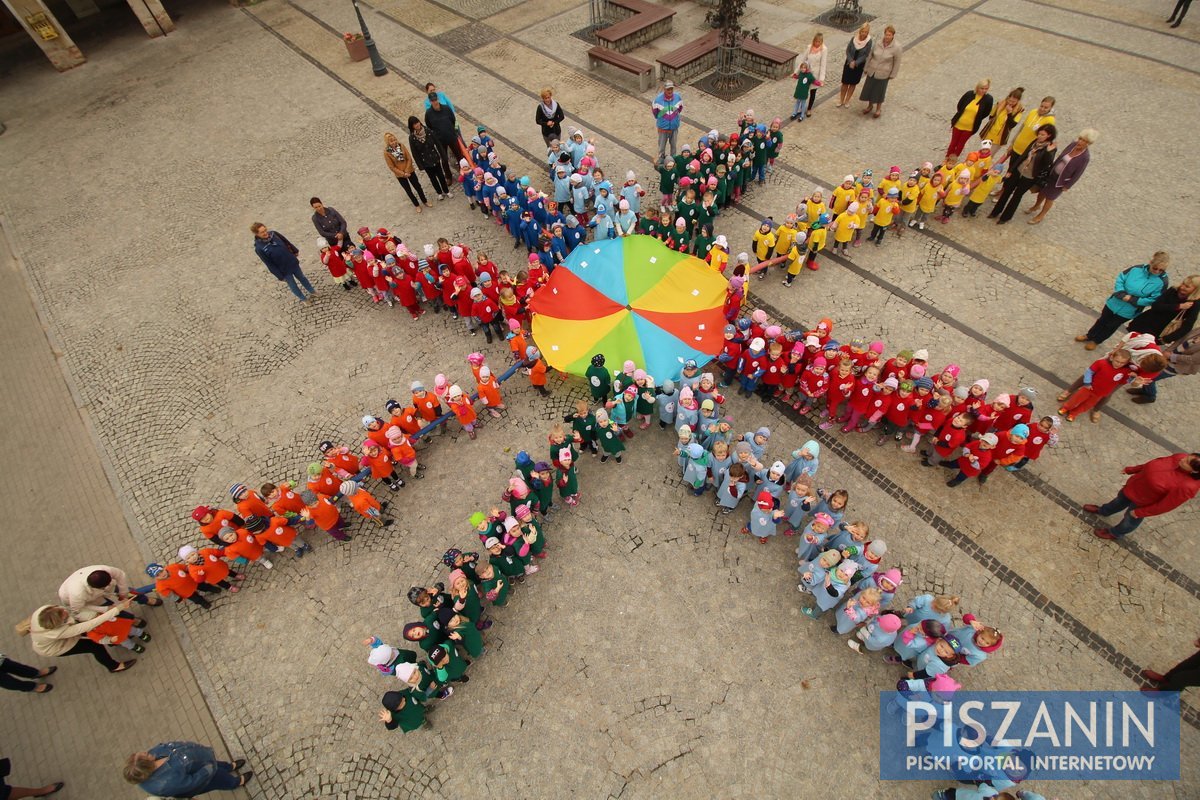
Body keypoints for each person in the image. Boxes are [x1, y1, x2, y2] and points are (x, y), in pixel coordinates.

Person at [1084, 453, 1200, 539]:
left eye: (1187, 461)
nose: (1183, 458)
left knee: (1130, 520)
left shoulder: (1187, 487)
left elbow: (1165, 505)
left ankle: (1115, 533)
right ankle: (1104, 511)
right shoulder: (1179, 457)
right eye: (1187, 457)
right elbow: (1151, 464)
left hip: (1143, 503)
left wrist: (1141, 512)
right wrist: (1132, 470)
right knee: (1118, 501)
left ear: (1194, 471)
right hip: (1133, 487)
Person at [1074, 253, 1169, 349]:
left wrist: (1133, 300)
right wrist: (1121, 294)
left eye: (1161, 270)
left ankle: (1097, 340)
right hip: (1115, 302)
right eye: (1155, 268)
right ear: (1151, 263)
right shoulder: (1136, 269)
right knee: (1102, 320)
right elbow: (1121, 278)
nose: (1157, 271)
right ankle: (1089, 335)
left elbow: (1154, 298)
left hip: (1130, 309)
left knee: (1111, 326)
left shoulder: (1162, 282)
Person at [14, 601, 137, 673]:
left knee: (94, 635)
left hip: (58, 634)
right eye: (64, 616)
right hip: (57, 647)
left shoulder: (45, 611)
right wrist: (118, 608)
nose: (65, 612)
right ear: (58, 623)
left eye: (61, 610)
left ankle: (111, 641)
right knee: (94, 646)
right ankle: (113, 666)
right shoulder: (57, 632)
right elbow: (91, 624)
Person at [987, 123, 1056, 224]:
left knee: (1017, 196)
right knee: (1007, 191)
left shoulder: (1050, 148)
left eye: (1042, 135)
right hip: (1018, 170)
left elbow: (1047, 164)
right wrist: (1011, 170)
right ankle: (995, 212)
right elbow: (1023, 156)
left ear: (1049, 136)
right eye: (1039, 134)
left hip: (1030, 176)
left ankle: (1005, 217)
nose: (1039, 136)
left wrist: (1049, 153)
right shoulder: (1034, 142)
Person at [123, 742, 251, 796]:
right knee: (220, 778)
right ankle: (235, 782)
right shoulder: (166, 784)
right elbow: (193, 781)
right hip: (203, 775)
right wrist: (208, 769)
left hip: (199, 761)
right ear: (147, 766)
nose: (148, 752)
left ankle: (230, 766)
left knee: (220, 765)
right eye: (146, 756)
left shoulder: (153, 757)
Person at [1025, 128, 1096, 224]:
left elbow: (1079, 172)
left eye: (1084, 141)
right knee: (1041, 192)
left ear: (1088, 143)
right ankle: (1036, 206)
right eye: (1080, 138)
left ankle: (1041, 215)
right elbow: (1060, 157)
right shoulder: (1072, 145)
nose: (1080, 141)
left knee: (1050, 198)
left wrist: (1068, 185)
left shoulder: (1085, 157)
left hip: (1060, 181)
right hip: (1052, 173)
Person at [57, 565, 161, 619]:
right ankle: (132, 620)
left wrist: (123, 592)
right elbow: (81, 608)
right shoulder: (78, 594)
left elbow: (120, 575)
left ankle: (145, 600)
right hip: (88, 600)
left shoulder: (104, 570)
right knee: (112, 610)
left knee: (131, 593)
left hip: (100, 589)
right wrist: (105, 608)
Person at [1129, 327, 1200, 403]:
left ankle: (1150, 396)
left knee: (1151, 378)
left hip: (1179, 366)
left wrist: (1171, 356)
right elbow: (1180, 340)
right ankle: (1145, 390)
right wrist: (1168, 351)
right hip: (1168, 356)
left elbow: (1193, 359)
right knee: (1150, 374)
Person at [1128, 273, 1200, 344]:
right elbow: (1156, 306)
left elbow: (1187, 326)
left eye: (1187, 286)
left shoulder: (1194, 303)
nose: (1182, 287)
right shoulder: (1173, 290)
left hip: (1158, 333)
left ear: (1195, 289)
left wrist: (1168, 339)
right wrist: (1178, 306)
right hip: (1144, 323)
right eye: (1183, 284)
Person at [251, 222, 314, 302]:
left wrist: (295, 250)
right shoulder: (259, 248)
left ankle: (312, 291)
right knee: (293, 285)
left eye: (265, 230)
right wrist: (280, 276)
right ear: (256, 234)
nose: (265, 233)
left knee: (302, 278)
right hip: (283, 270)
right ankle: (304, 299)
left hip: (292, 262)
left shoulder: (274, 234)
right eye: (262, 232)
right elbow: (269, 264)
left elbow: (286, 241)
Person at [859, 25, 901, 118]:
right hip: (873, 70)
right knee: (870, 89)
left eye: (889, 35)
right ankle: (869, 106)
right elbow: (870, 56)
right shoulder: (878, 43)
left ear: (893, 35)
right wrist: (866, 68)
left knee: (879, 91)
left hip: (884, 73)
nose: (887, 37)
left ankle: (878, 109)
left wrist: (893, 74)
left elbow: (897, 62)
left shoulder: (896, 47)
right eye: (886, 34)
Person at [383, 132, 430, 212]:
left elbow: (409, 158)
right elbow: (391, 167)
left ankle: (424, 200)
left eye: (395, 140)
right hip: (400, 175)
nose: (394, 142)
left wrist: (407, 170)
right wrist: (403, 174)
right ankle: (416, 205)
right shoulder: (387, 153)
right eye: (392, 141)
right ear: (388, 143)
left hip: (409, 170)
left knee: (418, 186)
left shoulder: (401, 146)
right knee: (408, 190)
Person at [946, 79, 993, 158]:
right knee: (953, 143)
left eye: (986, 89)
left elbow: (986, 113)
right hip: (958, 124)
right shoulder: (969, 94)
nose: (984, 91)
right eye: (982, 88)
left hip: (970, 128)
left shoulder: (988, 99)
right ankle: (947, 158)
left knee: (960, 144)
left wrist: (977, 118)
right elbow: (960, 106)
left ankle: (953, 160)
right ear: (978, 87)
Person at [408, 116, 450, 201]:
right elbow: (415, 153)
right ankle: (439, 193)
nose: (417, 125)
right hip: (425, 161)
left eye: (417, 122)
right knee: (433, 178)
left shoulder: (428, 131)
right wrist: (420, 165)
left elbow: (437, 144)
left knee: (441, 176)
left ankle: (446, 191)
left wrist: (443, 156)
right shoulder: (412, 138)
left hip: (434, 157)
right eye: (414, 124)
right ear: (412, 126)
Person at [423, 93, 458, 182]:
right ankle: (448, 177)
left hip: (451, 136)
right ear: (430, 102)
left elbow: (452, 120)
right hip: (440, 140)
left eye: (435, 100)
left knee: (458, 155)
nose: (435, 102)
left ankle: (464, 171)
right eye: (432, 101)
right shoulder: (428, 113)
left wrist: (451, 130)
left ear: (438, 99)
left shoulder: (446, 108)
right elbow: (429, 126)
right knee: (444, 159)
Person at [837, 24, 872, 108]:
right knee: (845, 82)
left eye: (866, 32)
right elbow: (848, 50)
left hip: (859, 65)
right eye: (863, 31)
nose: (864, 34)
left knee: (853, 83)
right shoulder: (854, 39)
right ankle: (841, 100)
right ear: (860, 31)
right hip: (849, 63)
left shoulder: (869, 41)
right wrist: (850, 61)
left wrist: (856, 62)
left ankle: (847, 100)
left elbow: (866, 54)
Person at [795, 33, 827, 117]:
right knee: (803, 90)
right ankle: (801, 107)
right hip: (806, 72)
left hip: (815, 74)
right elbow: (803, 60)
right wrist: (796, 72)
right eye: (816, 41)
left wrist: (821, 79)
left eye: (819, 42)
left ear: (821, 42)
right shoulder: (809, 48)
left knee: (813, 92)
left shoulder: (824, 50)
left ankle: (809, 108)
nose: (817, 43)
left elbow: (823, 65)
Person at [651, 81, 683, 159]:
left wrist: (674, 118)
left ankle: (673, 160)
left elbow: (680, 108)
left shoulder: (678, 97)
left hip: (674, 127)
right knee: (661, 147)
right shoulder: (657, 100)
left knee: (673, 146)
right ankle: (661, 160)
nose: (670, 91)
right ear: (664, 89)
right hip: (663, 128)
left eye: (671, 89)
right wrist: (662, 119)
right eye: (668, 89)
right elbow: (655, 113)